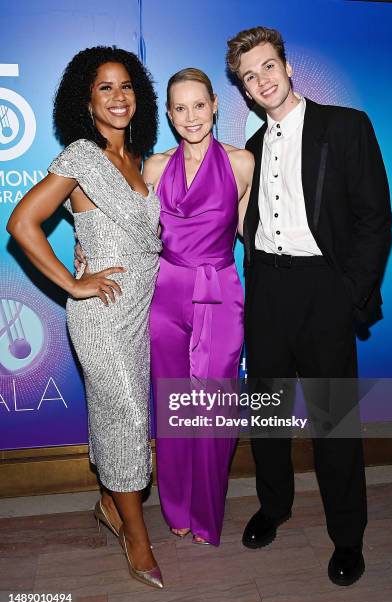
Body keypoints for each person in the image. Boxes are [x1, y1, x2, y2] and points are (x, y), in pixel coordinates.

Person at [226, 27, 392, 585]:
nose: (262, 80)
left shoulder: (345, 126)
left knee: (334, 421)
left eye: (268, 66)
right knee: (268, 413)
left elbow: (375, 220)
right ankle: (275, 506)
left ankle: (348, 537)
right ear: (244, 91)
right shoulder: (249, 149)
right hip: (267, 288)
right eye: (250, 76)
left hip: (325, 289)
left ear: (288, 66)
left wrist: (349, 296)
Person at [7, 46, 164, 589]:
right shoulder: (81, 155)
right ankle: (137, 537)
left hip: (139, 315)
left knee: (121, 414)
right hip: (99, 317)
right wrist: (75, 282)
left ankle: (108, 502)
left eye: (127, 86)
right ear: (86, 99)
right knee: (125, 416)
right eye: (105, 88)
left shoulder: (140, 162)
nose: (119, 97)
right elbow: (23, 222)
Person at [143, 68, 254, 546]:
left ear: (214, 105)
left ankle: (208, 513)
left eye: (199, 105)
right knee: (173, 404)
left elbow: (252, 233)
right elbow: (141, 238)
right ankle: (178, 508)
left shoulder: (241, 162)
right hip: (165, 292)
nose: (191, 116)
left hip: (219, 290)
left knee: (214, 409)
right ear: (169, 114)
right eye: (180, 108)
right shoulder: (153, 167)